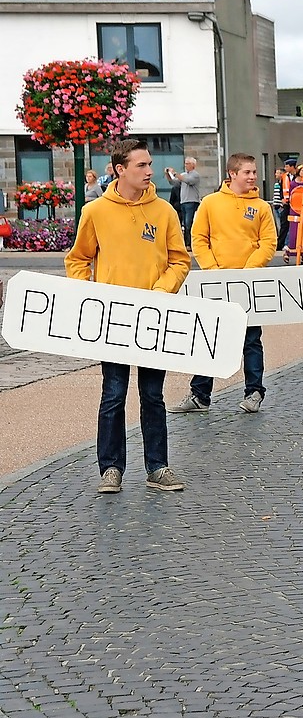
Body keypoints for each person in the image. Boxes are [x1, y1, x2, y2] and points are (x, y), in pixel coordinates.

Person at [65, 139, 190, 494]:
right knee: (114, 394)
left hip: (154, 317)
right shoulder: (96, 212)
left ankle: (158, 467)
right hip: (113, 320)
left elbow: (180, 260)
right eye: (141, 166)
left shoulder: (164, 210)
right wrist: (87, 294)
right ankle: (111, 468)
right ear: (120, 169)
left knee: (153, 395)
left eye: (149, 164)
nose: (150, 171)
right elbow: (78, 259)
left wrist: (162, 292)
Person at [171, 152, 277, 415]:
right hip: (217, 282)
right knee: (210, 337)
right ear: (232, 174)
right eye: (247, 172)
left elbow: (268, 242)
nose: (253, 176)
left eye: (254, 172)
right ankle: (200, 395)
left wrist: (247, 271)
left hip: (247, 284)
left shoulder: (262, 208)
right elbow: (199, 238)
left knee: (251, 339)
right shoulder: (210, 203)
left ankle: (254, 392)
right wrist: (213, 270)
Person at [283, 164, 303, 265]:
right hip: (296, 210)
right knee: (295, 233)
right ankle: (288, 253)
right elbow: (292, 197)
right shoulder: (293, 184)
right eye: (302, 171)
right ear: (298, 172)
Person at [165, 156, 201, 248]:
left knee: (189, 223)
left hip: (192, 201)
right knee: (185, 223)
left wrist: (176, 173)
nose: (185, 165)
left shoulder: (195, 175)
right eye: (185, 163)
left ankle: (189, 244)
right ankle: (186, 243)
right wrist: (168, 174)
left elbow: (188, 181)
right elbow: (174, 183)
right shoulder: (184, 174)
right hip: (184, 202)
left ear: (193, 165)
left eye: (187, 163)